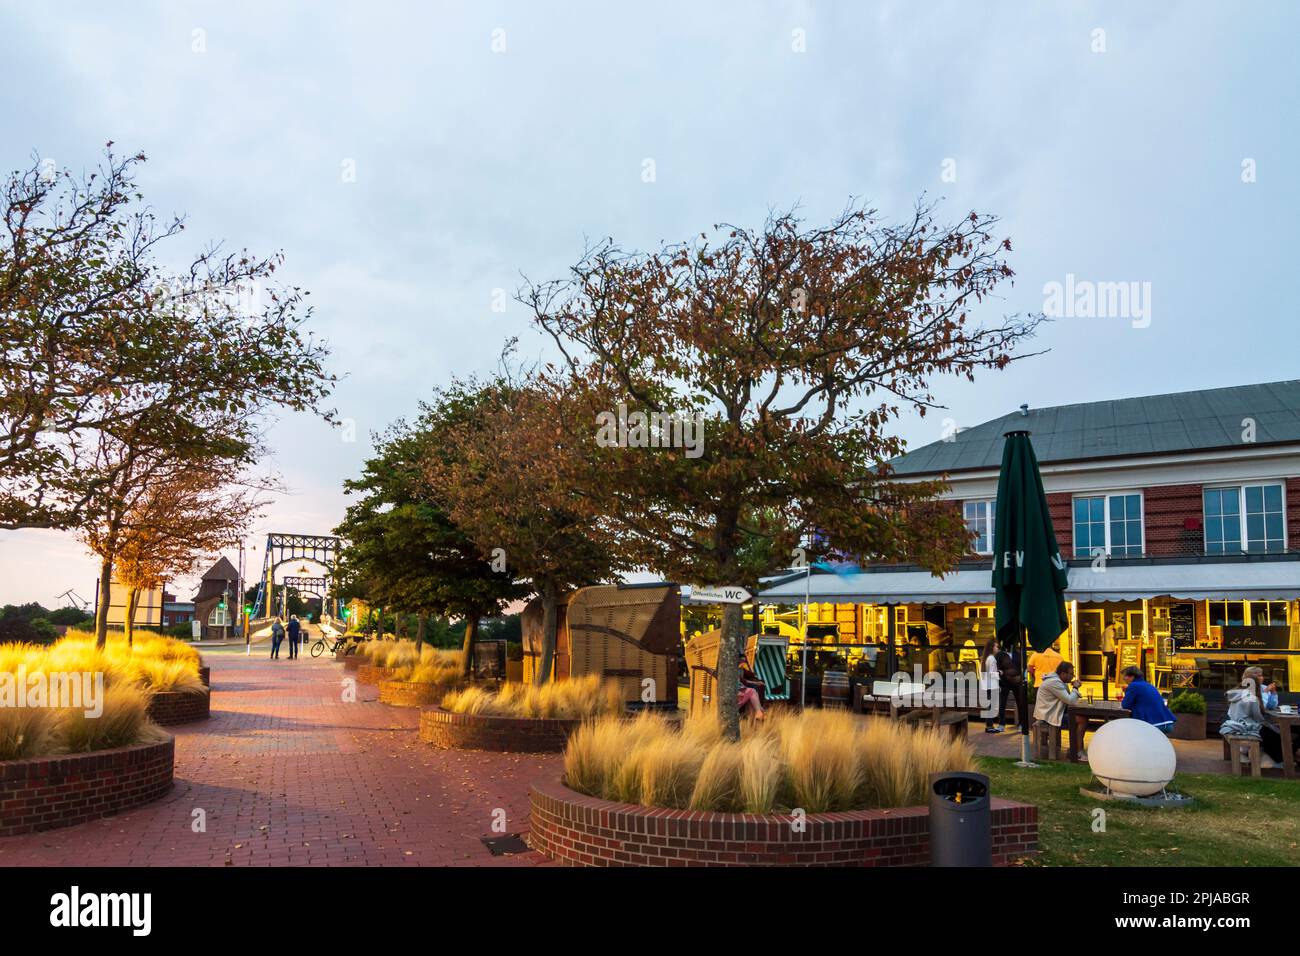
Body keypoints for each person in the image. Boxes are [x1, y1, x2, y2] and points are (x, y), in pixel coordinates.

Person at [1033, 660, 1082, 749]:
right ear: (1063, 673)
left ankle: (1074, 749)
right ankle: (1077, 750)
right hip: (1048, 716)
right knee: (1081, 720)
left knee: (1078, 717)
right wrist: (1075, 687)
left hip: (1051, 713)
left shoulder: (1058, 681)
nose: (1073, 677)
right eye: (1071, 674)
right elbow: (1070, 700)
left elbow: (1068, 699)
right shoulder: (1054, 682)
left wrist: (1072, 689)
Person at [1118, 665, 1175, 734]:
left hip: (1152, 724)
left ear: (1132, 676)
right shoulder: (1148, 685)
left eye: (1125, 676)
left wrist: (1127, 693)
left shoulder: (1134, 686)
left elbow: (1125, 705)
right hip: (1167, 722)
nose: (1123, 678)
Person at [995, 642, 1025, 733]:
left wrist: (1021, 678)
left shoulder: (1018, 654)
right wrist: (1000, 675)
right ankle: (1001, 724)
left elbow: (1022, 667)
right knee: (1002, 702)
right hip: (1004, 682)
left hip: (1017, 682)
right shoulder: (1000, 655)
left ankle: (1021, 724)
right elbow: (997, 667)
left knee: (1020, 702)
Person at [981, 638, 1002, 733]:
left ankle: (989, 725)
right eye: (996, 646)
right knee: (991, 706)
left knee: (989, 705)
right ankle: (989, 726)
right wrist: (1000, 672)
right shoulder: (992, 659)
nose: (997, 648)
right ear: (992, 648)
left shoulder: (987, 658)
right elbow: (992, 674)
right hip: (993, 685)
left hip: (988, 685)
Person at [1101, 615, 1125, 682]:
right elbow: (1111, 640)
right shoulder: (1110, 631)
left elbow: (1102, 642)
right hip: (1110, 650)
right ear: (1111, 625)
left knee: (1106, 664)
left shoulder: (1104, 632)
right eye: (1113, 625)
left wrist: (1102, 649)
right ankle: (1111, 677)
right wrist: (1114, 649)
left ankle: (1106, 676)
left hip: (1105, 650)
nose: (1114, 626)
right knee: (1112, 664)